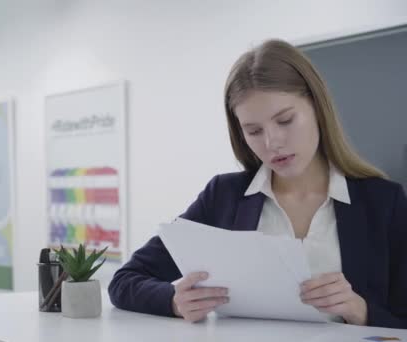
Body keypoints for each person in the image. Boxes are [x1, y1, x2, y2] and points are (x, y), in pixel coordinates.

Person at [108, 39, 407, 329]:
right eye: (253, 130)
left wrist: (360, 310)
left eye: (285, 120)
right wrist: (174, 300)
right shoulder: (223, 197)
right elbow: (125, 280)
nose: (272, 142)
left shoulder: (384, 202)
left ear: (317, 107)